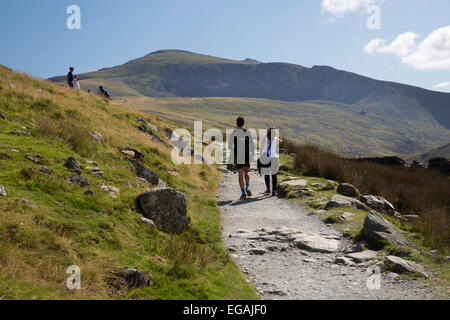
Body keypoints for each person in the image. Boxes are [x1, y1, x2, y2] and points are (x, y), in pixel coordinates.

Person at [228, 117, 255, 200]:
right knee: (246, 172)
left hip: (238, 155)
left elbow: (229, 147)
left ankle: (243, 193)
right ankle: (247, 187)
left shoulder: (234, 133)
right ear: (243, 123)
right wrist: (252, 154)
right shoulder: (247, 132)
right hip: (247, 154)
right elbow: (252, 145)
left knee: (240, 174)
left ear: (236, 123)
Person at [261, 126, 283, 196]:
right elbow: (281, 141)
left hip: (266, 157)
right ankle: (274, 190)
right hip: (274, 158)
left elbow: (261, 148)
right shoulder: (276, 139)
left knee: (266, 174)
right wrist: (277, 135)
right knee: (274, 175)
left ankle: (268, 189)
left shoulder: (265, 138)